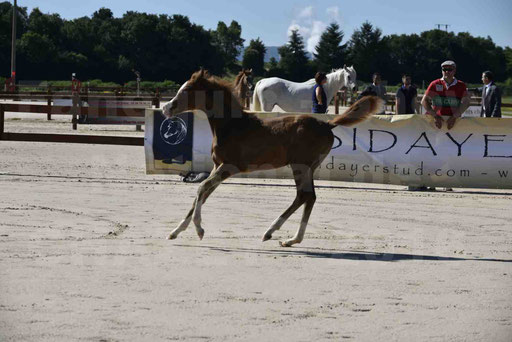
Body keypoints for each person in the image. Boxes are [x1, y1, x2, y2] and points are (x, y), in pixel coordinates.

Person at [421, 60, 470, 130]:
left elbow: (466, 103)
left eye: (450, 69)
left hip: (454, 123)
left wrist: (454, 117)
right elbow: (424, 101)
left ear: (454, 71)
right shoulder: (435, 84)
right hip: (436, 123)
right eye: (444, 69)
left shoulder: (461, 85)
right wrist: (435, 116)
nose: (447, 72)